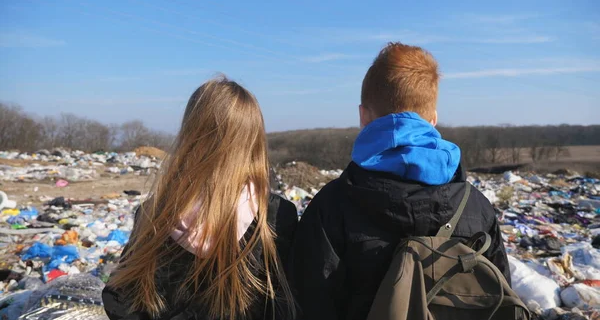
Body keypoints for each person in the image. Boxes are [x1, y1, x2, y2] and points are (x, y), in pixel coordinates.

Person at [289, 43, 510, 320]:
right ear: (433, 120)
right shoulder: (477, 208)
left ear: (363, 116)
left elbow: (309, 304)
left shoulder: (331, 207)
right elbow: (499, 298)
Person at [103, 77, 297, 320]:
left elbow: (119, 296)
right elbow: (287, 306)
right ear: (254, 140)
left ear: (189, 132)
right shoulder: (276, 215)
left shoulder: (154, 212)